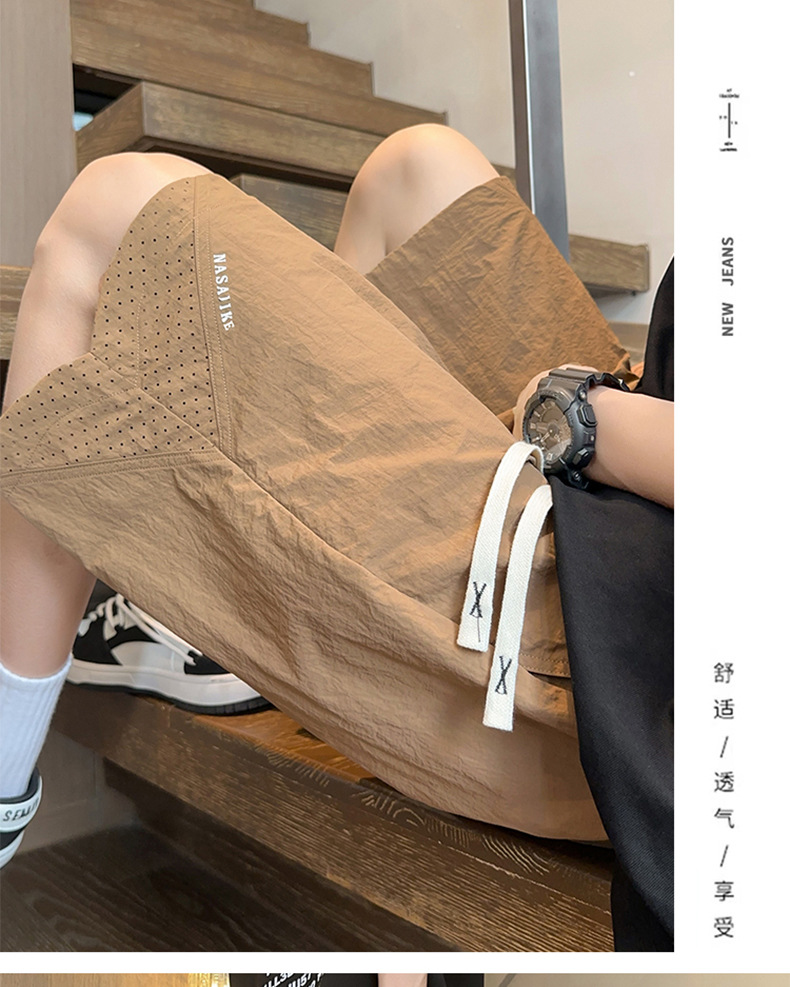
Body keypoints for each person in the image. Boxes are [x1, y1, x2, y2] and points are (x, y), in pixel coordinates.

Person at [0, 125, 672, 949]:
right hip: (647, 474)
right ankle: (273, 588)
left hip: (633, 664)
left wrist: (592, 420)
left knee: (112, 219)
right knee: (414, 172)